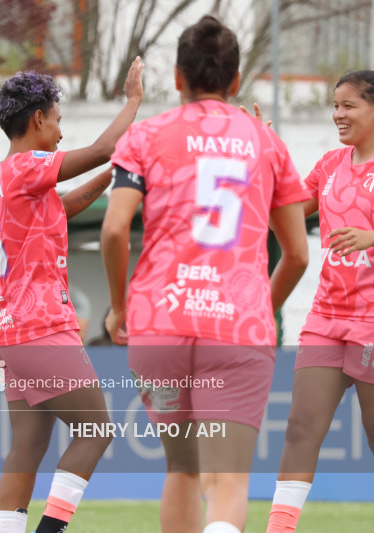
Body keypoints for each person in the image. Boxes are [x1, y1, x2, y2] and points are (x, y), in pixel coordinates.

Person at [100, 15, 310, 533]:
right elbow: (298, 255)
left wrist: (120, 307)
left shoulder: (145, 135)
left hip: (158, 325)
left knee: (183, 469)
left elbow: (114, 229)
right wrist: (261, 307)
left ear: (177, 77)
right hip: (238, 327)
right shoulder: (266, 142)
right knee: (227, 480)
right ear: (235, 81)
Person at [0, 58, 144, 533]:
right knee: (96, 430)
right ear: (37, 119)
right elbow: (102, 147)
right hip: (41, 326)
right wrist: (133, 101)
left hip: (8, 330)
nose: (60, 131)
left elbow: (63, 205)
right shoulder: (28, 166)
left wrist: (114, 174)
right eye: (57, 120)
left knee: (28, 445)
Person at [265, 70, 374, 533]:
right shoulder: (330, 165)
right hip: (326, 319)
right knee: (300, 429)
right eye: (335, 106)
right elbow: (285, 211)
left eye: (349, 106)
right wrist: (266, 157)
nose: (338, 115)